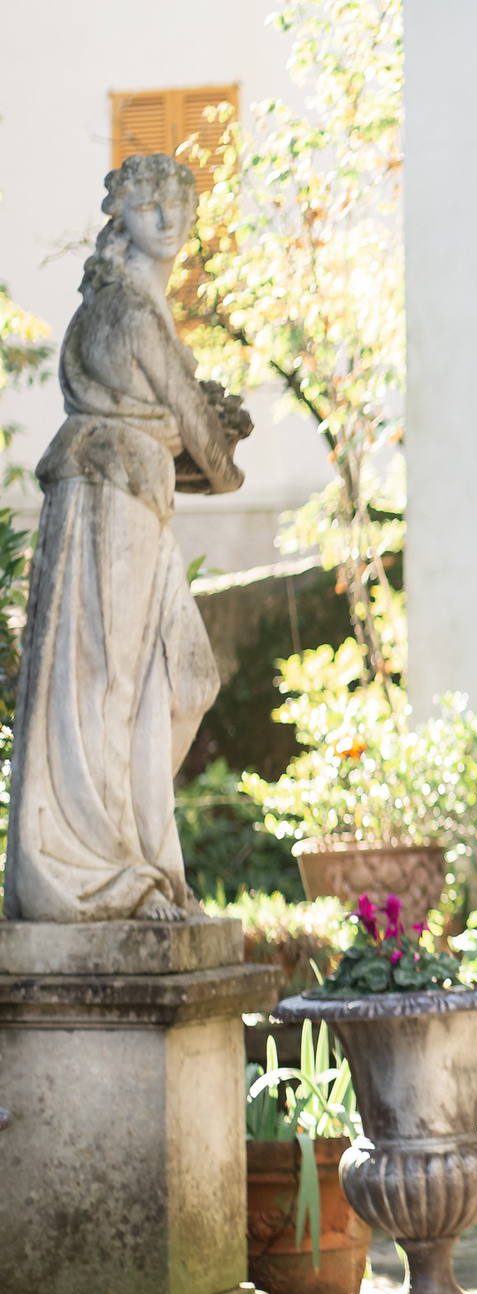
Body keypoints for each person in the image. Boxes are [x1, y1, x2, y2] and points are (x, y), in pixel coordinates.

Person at [7, 152, 247, 923]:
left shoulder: (142, 308)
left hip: (138, 493)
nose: (170, 221)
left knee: (181, 678)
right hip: (109, 494)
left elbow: (184, 433)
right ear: (123, 218)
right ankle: (109, 866)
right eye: (151, 207)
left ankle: (137, 851)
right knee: (110, 680)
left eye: (181, 205)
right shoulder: (128, 312)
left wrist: (203, 440)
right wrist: (217, 445)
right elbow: (202, 442)